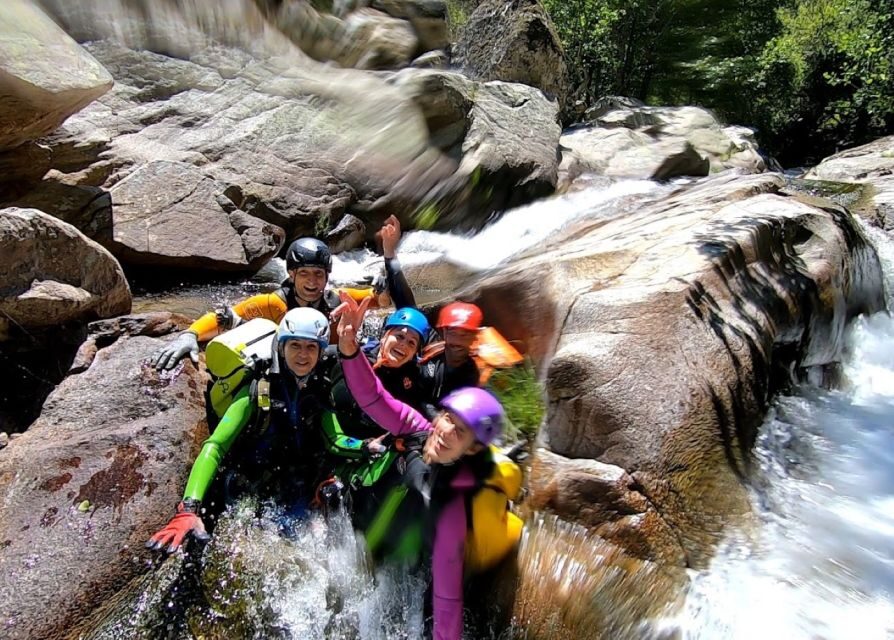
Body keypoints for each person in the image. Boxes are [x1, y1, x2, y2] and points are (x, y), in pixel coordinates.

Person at [333, 293, 521, 640]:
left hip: (405, 542)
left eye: (460, 431)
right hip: (376, 519)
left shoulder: (453, 506)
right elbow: (372, 396)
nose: (445, 432)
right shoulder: (419, 426)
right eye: (447, 418)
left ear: (473, 448)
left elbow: (446, 600)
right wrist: (349, 348)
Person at [146, 307, 335, 553]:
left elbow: (335, 439)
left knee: (307, 544)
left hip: (294, 487)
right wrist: (189, 509)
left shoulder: (321, 388)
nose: (302, 355)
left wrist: (361, 450)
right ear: (281, 348)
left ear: (321, 351)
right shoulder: (257, 389)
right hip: (246, 487)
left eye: (311, 347)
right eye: (295, 345)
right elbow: (215, 446)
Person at [152, 237, 393, 371]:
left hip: (327, 365)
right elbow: (221, 318)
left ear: (327, 276)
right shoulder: (272, 303)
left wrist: (384, 289)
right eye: (304, 273)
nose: (312, 281)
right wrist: (190, 334)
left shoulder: (338, 299)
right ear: (291, 274)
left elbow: (378, 301)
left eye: (318, 274)